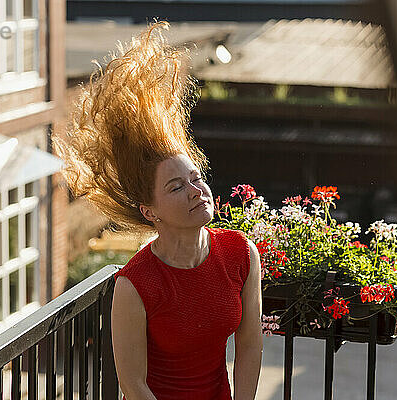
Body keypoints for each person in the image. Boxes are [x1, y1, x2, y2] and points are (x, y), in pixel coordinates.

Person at [53, 20, 263, 400]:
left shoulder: (241, 253)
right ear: (150, 211)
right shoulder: (135, 284)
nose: (196, 191)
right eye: (176, 187)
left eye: (196, 178)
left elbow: (250, 344)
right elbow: (133, 385)